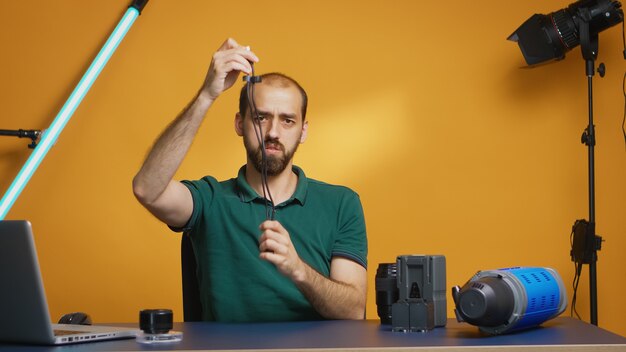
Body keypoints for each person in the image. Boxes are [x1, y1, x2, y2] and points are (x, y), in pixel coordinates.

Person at [132, 38, 367, 322]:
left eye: (287, 121)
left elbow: (353, 311)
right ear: (239, 124)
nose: (273, 132)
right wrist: (207, 95)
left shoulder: (341, 203)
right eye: (260, 118)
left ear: (303, 131)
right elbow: (147, 189)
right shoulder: (209, 200)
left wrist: (298, 270)